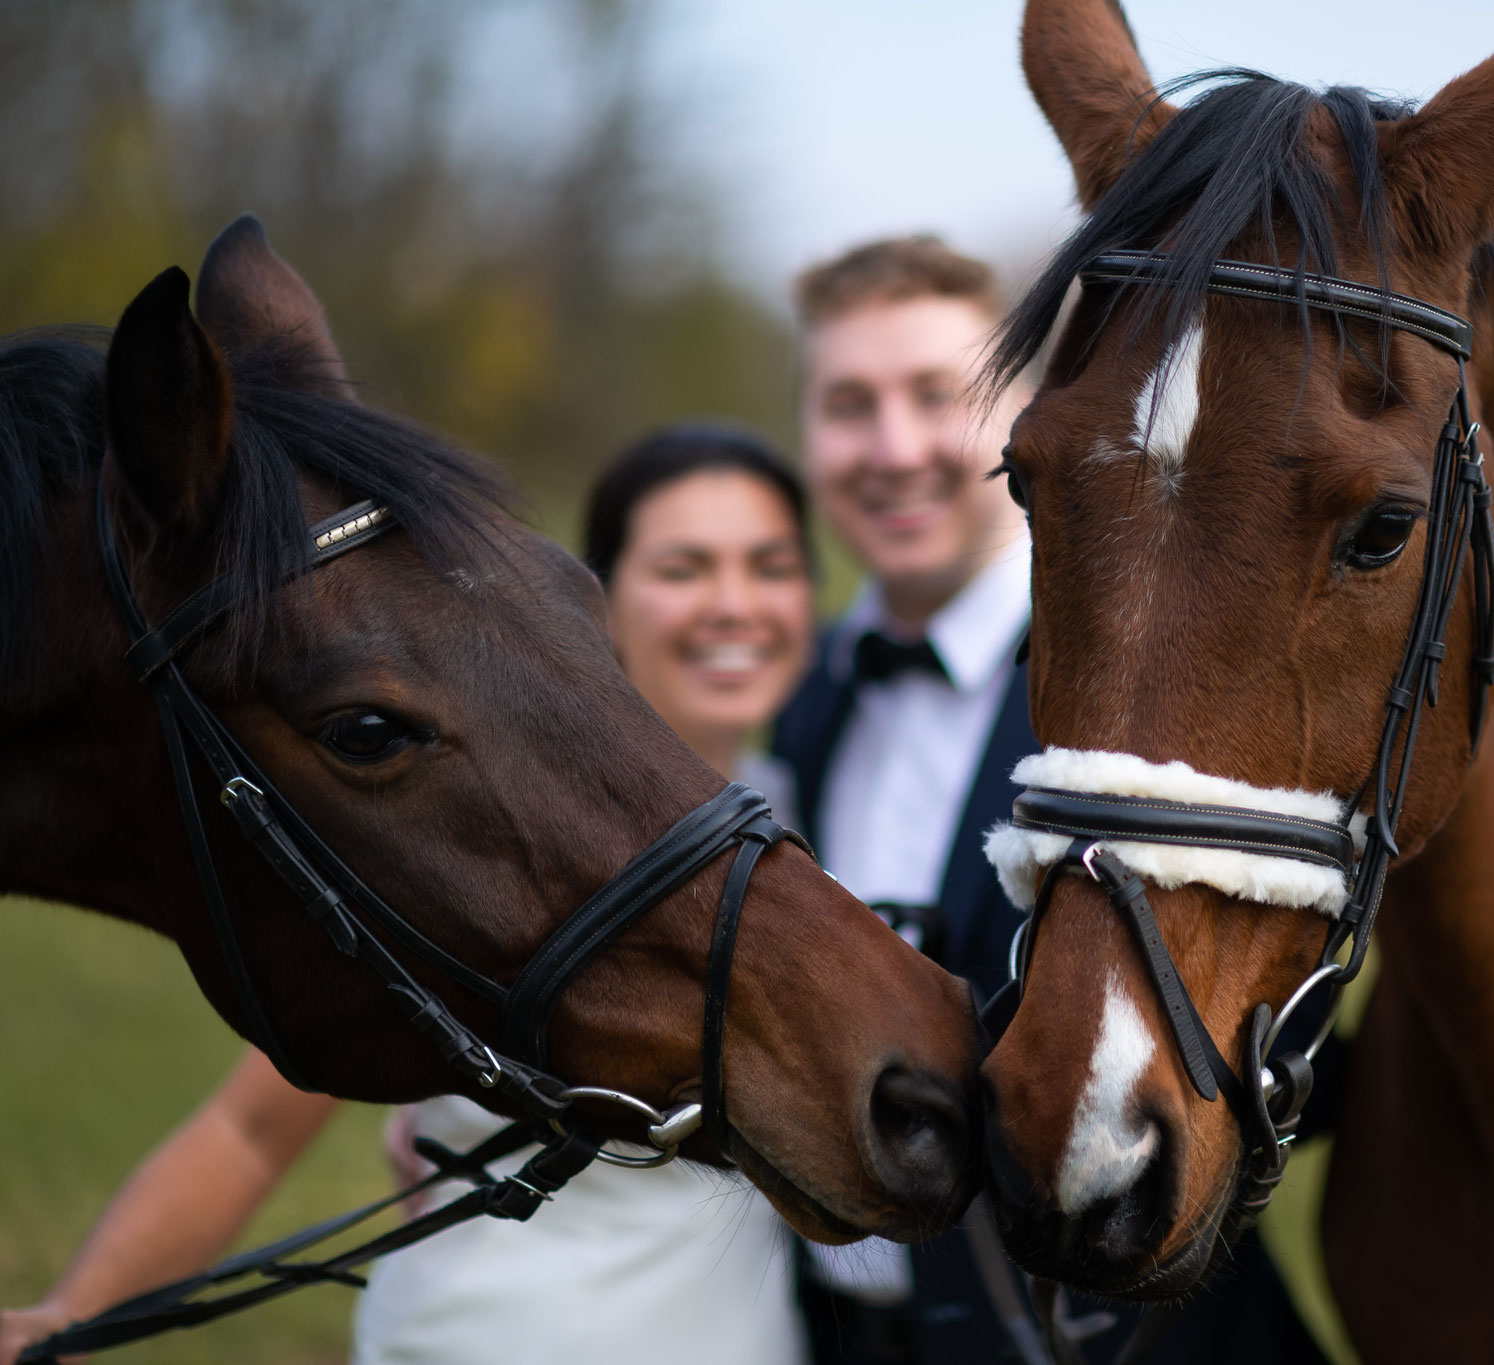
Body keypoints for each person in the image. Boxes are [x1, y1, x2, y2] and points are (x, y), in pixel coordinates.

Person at [1, 424, 817, 1365]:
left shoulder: (801, 813)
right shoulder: (469, 820)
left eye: (771, 565)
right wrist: (75, 1310)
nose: (734, 604)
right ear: (597, 596)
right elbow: (248, 1127)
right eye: (684, 567)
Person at [774, 236, 1326, 1364]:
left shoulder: (1156, 714)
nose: (893, 448)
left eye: (938, 395)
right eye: (847, 404)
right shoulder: (808, 699)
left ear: (1026, 413)